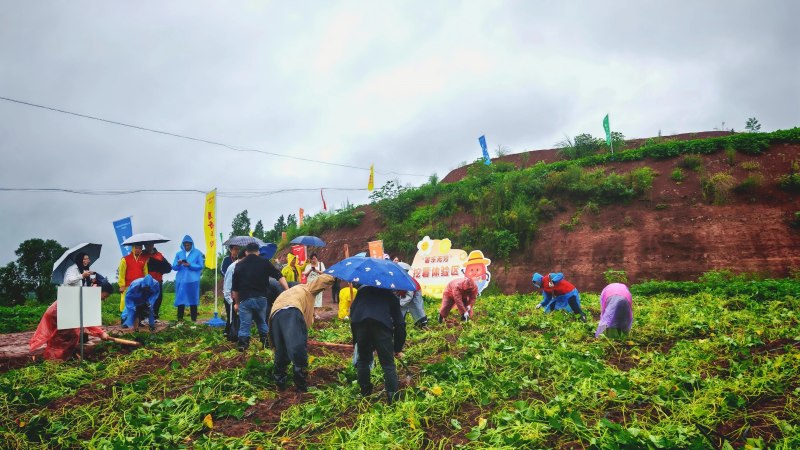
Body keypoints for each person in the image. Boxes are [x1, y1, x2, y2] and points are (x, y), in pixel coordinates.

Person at [268, 274, 336, 392]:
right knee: (298, 348)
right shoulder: (306, 288)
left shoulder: (289, 292)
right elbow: (323, 280)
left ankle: (280, 383)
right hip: (291, 311)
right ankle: (301, 386)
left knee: (281, 349)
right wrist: (334, 276)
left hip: (275, 315)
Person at [350, 285, 407, 404]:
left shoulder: (362, 292)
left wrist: (355, 340)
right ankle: (393, 399)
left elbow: (353, 314)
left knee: (363, 361)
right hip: (382, 329)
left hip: (361, 327)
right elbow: (400, 324)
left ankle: (365, 394)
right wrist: (397, 348)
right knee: (388, 364)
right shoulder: (390, 295)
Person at [29, 281, 114, 360]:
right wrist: (101, 333)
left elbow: (85, 318)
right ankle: (54, 361)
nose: (104, 299)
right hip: (58, 314)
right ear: (100, 291)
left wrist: (99, 332)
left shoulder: (89, 293)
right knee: (63, 340)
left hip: (58, 313)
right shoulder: (89, 295)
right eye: (105, 296)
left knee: (63, 338)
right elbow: (86, 319)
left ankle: (57, 359)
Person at [232, 243, 289, 351]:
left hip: (245, 299)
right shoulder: (264, 262)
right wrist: (287, 290)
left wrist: (237, 303)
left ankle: (243, 347)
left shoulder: (239, 265)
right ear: (258, 252)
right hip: (261, 299)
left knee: (245, 324)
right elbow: (279, 276)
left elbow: (235, 288)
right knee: (261, 321)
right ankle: (267, 344)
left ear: (246, 252)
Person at [172, 235, 205, 323]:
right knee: (180, 299)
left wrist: (190, 265)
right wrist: (179, 264)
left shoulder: (197, 253)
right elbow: (174, 266)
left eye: (188, 245)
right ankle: (180, 321)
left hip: (192, 280)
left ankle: (193, 321)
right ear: (183, 244)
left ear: (191, 244)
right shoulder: (179, 254)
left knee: (193, 299)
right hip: (181, 280)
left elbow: (201, 266)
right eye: (185, 245)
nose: (187, 247)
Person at [118, 244, 148, 325]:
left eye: (140, 248)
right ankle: (124, 321)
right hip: (128, 286)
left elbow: (146, 273)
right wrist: (122, 285)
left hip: (140, 287)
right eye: (136, 248)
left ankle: (137, 322)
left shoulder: (144, 260)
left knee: (139, 304)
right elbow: (121, 273)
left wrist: (146, 284)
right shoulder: (125, 259)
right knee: (127, 303)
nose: (138, 250)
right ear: (133, 248)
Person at [143, 243, 172, 322]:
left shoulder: (159, 255)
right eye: (147, 245)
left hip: (158, 280)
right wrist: (147, 262)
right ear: (144, 246)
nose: (148, 246)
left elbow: (168, 267)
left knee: (158, 298)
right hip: (146, 281)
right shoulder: (142, 255)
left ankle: (155, 316)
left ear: (153, 245)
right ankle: (145, 316)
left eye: (150, 245)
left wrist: (158, 266)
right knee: (146, 299)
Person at [223, 251, 246, 342]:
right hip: (230, 298)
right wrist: (230, 300)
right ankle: (231, 337)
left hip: (237, 297)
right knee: (232, 317)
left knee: (236, 318)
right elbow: (227, 285)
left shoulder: (241, 266)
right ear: (243, 257)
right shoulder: (233, 267)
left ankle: (232, 335)